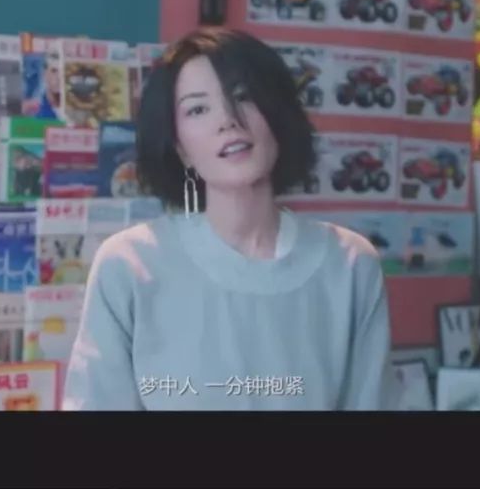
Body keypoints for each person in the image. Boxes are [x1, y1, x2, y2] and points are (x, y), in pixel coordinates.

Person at [62, 27, 397, 411]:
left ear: (277, 115)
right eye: (197, 109)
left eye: (242, 97)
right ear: (180, 148)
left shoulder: (349, 263)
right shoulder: (129, 264)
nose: (227, 120)